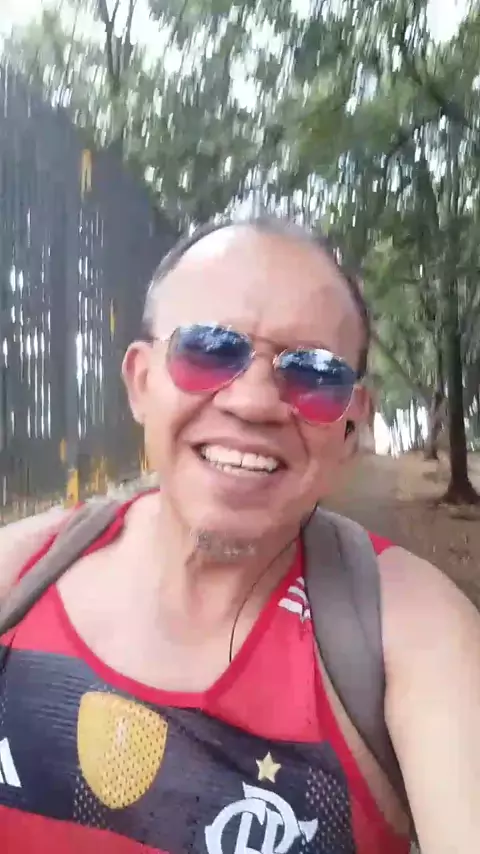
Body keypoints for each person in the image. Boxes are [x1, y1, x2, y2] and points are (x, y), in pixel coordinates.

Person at [0, 217, 479, 854]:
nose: (252, 403)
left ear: (350, 426)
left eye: (313, 373)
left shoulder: (415, 635)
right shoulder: (19, 575)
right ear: (141, 382)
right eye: (208, 348)